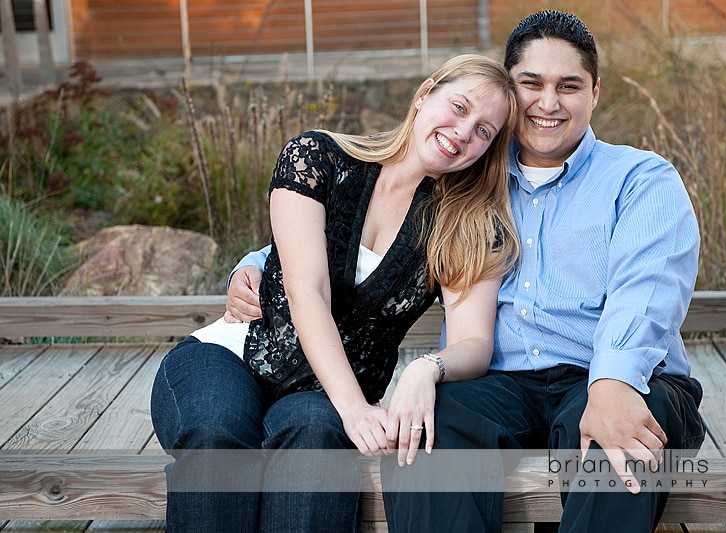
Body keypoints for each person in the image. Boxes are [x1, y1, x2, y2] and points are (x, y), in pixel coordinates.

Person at [150, 53, 520, 533]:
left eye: (485, 131)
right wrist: (355, 408)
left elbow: (474, 343)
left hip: (322, 398)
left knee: (315, 439)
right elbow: (307, 290)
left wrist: (427, 369)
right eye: (458, 106)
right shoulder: (316, 159)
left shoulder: (463, 227)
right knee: (219, 431)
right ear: (425, 93)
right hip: (228, 358)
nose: (464, 132)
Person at [376, 10, 705, 533]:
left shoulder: (640, 178)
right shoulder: (468, 173)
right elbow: (367, 225)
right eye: (531, 84)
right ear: (509, 91)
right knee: (429, 431)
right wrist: (256, 267)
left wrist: (613, 382)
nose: (548, 103)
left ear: (594, 92)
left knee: (615, 436)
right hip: (501, 386)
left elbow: (649, 289)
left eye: (568, 86)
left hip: (617, 375)